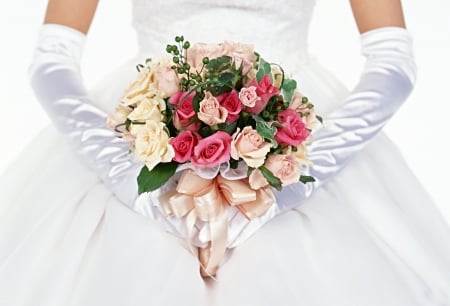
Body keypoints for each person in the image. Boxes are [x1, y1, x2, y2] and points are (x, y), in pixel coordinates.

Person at [0, 0, 449, 305]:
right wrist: (123, 174)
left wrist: (295, 185)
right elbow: (51, 57)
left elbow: (393, 61)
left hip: (295, 129)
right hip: (143, 130)